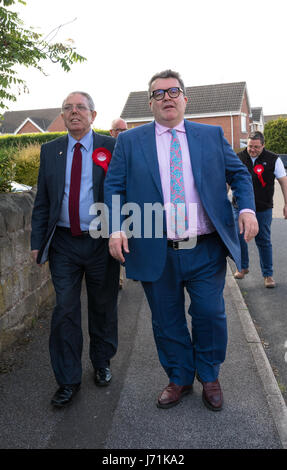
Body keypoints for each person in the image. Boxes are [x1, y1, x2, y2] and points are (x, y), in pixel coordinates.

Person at [104, 70, 258, 411]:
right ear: (151, 103)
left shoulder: (210, 134)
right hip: (155, 249)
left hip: (204, 248)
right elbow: (113, 186)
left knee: (210, 313)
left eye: (173, 91)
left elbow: (239, 174)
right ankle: (179, 377)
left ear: (185, 98)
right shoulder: (130, 142)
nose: (167, 98)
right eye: (159, 94)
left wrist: (246, 207)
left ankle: (210, 374)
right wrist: (115, 228)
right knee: (166, 319)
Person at [31, 91, 119, 408]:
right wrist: (36, 242)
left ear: (93, 115)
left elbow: (121, 190)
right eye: (67, 108)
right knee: (65, 310)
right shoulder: (50, 150)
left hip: (101, 241)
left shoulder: (111, 147)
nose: (74, 112)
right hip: (64, 243)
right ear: (63, 116)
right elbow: (42, 201)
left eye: (80, 107)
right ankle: (68, 379)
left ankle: (102, 361)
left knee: (102, 305)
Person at [232, 131, 287, 288]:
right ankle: (242, 267)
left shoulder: (273, 159)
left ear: (263, 145)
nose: (252, 150)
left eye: (256, 147)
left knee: (263, 240)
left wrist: (286, 203)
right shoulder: (238, 158)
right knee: (239, 237)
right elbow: (228, 180)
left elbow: (284, 181)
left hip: (263, 208)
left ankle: (268, 275)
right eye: (250, 146)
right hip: (240, 207)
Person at [109, 118, 128, 289]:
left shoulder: (131, 148)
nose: (121, 133)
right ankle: (119, 277)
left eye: (124, 130)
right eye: (118, 130)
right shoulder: (104, 150)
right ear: (111, 132)